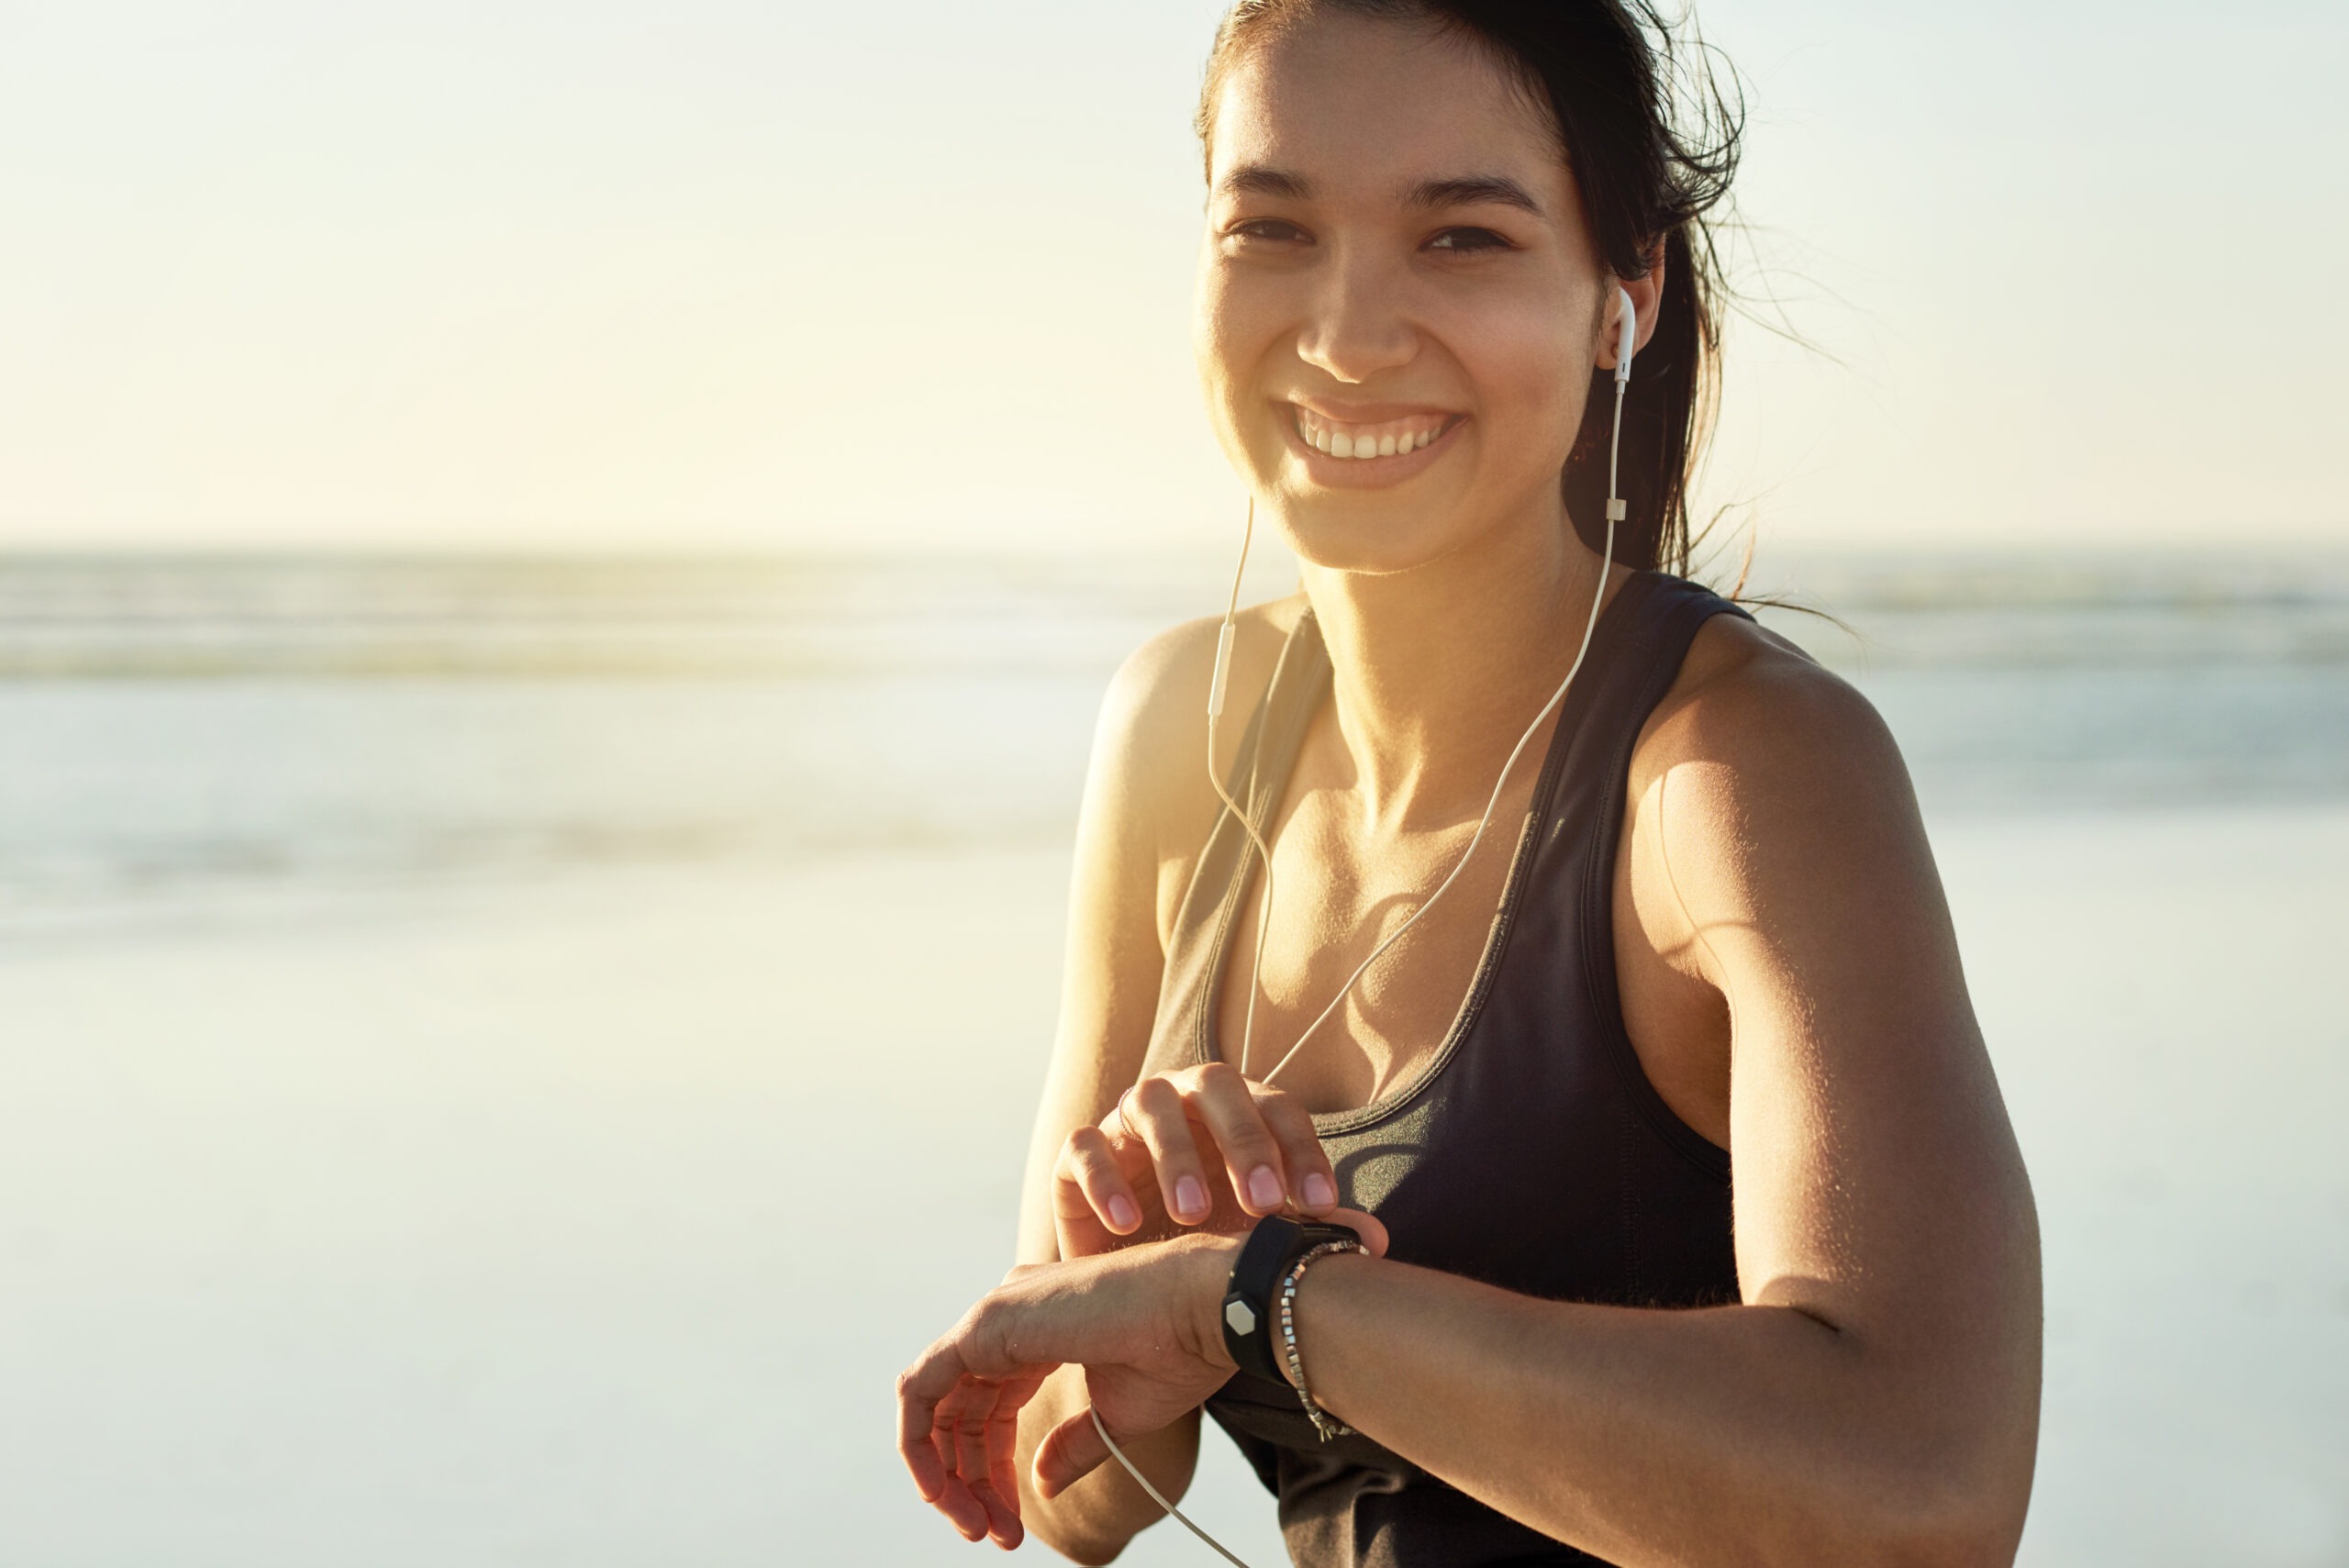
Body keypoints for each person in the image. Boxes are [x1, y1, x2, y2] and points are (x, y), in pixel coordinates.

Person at [896, 3, 2043, 1563]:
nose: (1349, 332)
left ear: (1621, 293)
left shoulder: (1737, 776)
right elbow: (1058, 1483)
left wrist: (1260, 1300)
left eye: (1462, 241)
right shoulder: (1179, 729)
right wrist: (1145, 1307)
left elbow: (1925, 1493)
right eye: (1273, 229)